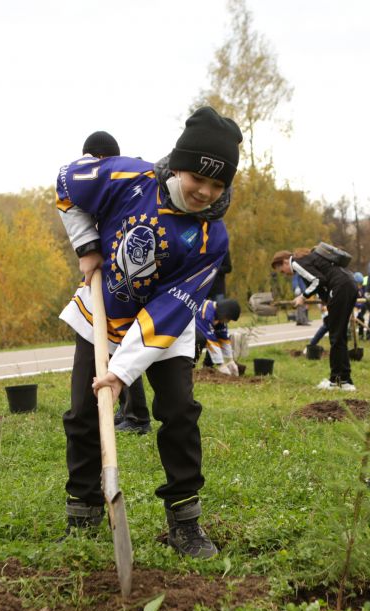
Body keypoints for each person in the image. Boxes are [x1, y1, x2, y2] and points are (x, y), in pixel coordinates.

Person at [56, 106, 242, 558]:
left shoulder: (210, 239)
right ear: (178, 163)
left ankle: (185, 521)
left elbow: (168, 311)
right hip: (103, 309)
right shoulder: (126, 179)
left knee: (179, 413)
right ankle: (82, 513)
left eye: (218, 185)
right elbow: (66, 183)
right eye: (199, 176)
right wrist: (86, 246)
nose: (206, 192)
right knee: (83, 412)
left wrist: (120, 374)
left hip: (164, 329)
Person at [81, 131, 153, 436]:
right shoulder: (108, 185)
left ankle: (137, 417)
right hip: (116, 276)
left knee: (124, 346)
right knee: (117, 346)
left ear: (100, 158)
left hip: (132, 280)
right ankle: (131, 414)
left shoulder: (126, 184)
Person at [271, 247, 358, 391]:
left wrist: (302, 296)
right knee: (339, 336)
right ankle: (343, 380)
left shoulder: (297, 263)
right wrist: (327, 300)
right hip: (349, 284)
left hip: (340, 287)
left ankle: (338, 381)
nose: (284, 274)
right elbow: (322, 283)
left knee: (336, 337)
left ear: (285, 261)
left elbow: (318, 280)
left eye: (282, 270)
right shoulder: (308, 260)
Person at [194, 298, 241, 373]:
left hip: (199, 330)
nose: (228, 321)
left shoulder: (219, 316)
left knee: (215, 338)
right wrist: (221, 364)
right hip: (182, 328)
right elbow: (211, 340)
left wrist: (230, 360)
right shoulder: (206, 313)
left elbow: (224, 339)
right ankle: (189, 367)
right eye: (228, 319)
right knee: (201, 339)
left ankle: (207, 367)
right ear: (225, 313)